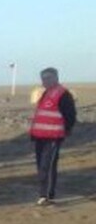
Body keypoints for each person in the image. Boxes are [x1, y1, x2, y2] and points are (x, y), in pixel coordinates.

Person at [29, 67, 77, 205]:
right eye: (43, 78)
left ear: (56, 78)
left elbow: (70, 115)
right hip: (40, 136)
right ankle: (43, 193)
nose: (45, 81)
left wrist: (66, 131)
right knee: (40, 165)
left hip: (53, 136)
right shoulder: (45, 93)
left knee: (48, 166)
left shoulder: (63, 94)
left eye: (48, 78)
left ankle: (47, 195)